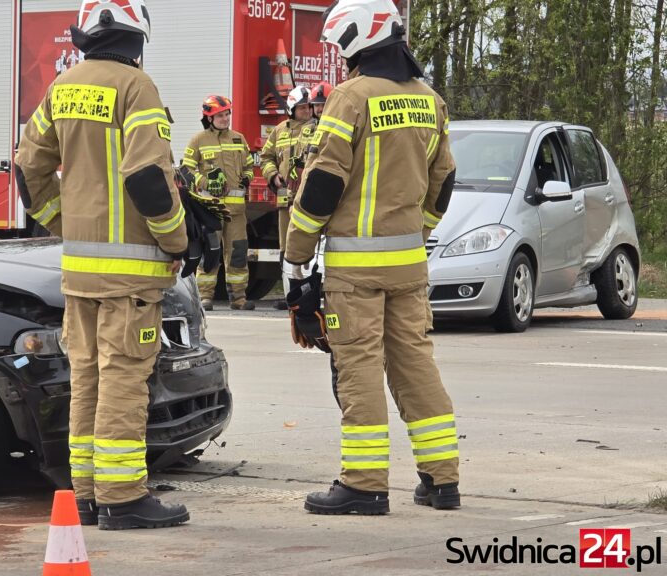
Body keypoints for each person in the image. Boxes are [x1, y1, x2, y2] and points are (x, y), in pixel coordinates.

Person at [14, 0, 190, 530]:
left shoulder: (63, 87)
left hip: (81, 268)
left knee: (87, 376)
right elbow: (147, 177)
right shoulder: (137, 87)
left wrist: (63, 225)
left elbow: (28, 166)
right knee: (124, 380)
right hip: (130, 274)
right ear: (137, 38)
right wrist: (176, 239)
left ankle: (88, 493)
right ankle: (123, 498)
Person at [285, 0, 460, 515]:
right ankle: (442, 481)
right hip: (409, 266)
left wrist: (295, 257)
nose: (342, 57)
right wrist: (415, 232)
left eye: (343, 46)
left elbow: (322, 183)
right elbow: (443, 182)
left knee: (358, 369)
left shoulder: (352, 97)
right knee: (416, 367)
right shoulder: (430, 99)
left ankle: (364, 484)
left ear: (361, 38)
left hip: (355, 272)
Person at [182, 96, 256, 311]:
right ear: (209, 117)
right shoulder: (198, 140)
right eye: (220, 115)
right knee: (210, 253)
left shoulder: (238, 139)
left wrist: (247, 178)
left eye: (227, 114)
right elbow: (187, 169)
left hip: (236, 211)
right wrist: (204, 182)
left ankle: (239, 298)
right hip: (210, 209)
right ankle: (204, 297)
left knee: (238, 253)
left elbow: (249, 167)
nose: (225, 118)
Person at [260, 86, 314, 310]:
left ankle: (310, 291)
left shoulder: (316, 128)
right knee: (287, 248)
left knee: (308, 246)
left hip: (307, 200)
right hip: (285, 200)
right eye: (302, 108)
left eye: (309, 107)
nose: (307, 111)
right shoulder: (280, 130)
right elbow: (266, 158)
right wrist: (272, 175)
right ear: (292, 109)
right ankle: (290, 293)